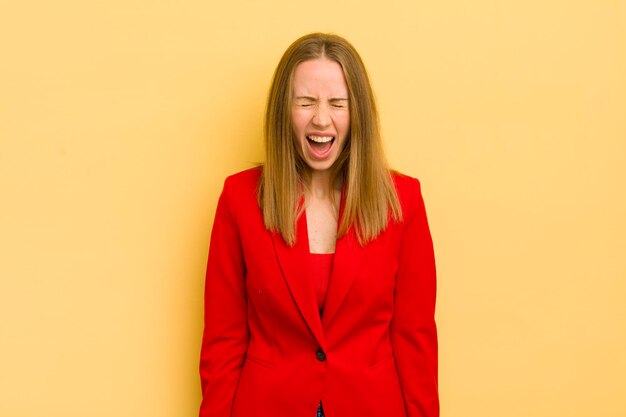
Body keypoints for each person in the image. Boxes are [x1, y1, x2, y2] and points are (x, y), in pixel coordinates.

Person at [199, 32, 438, 417]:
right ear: (284, 111)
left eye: (337, 103)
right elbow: (223, 342)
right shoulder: (239, 199)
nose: (321, 118)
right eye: (306, 102)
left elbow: (415, 341)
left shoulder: (403, 201)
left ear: (356, 112)